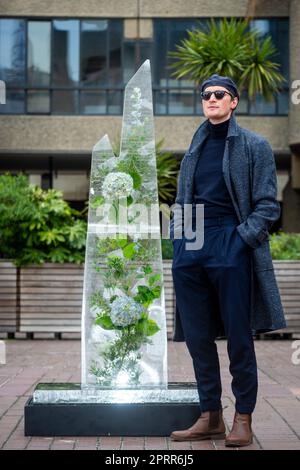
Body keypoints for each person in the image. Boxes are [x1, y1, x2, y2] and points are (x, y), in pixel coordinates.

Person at [169, 74, 286, 447]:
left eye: (219, 94)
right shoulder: (194, 146)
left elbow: (268, 205)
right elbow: (183, 200)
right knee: (197, 337)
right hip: (193, 242)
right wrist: (179, 240)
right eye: (206, 95)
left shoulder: (255, 145)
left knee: (238, 335)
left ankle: (243, 418)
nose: (211, 99)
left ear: (233, 101)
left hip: (230, 239)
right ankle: (210, 416)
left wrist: (241, 240)